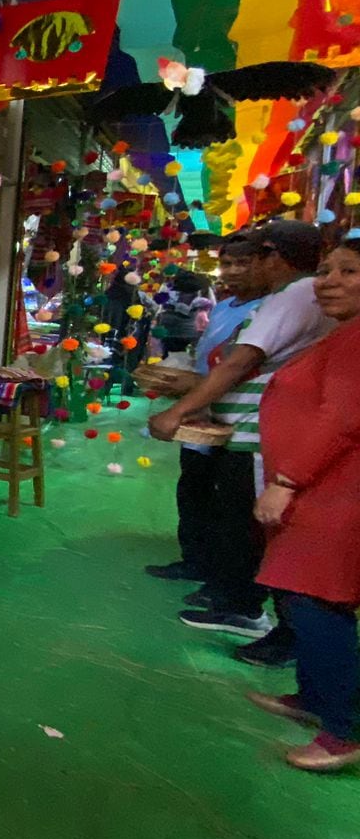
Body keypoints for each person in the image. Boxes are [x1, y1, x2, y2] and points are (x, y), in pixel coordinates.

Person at [151, 221, 334, 660]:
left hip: (259, 430)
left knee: (250, 523)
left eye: (253, 258)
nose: (332, 283)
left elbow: (239, 362)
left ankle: (248, 609)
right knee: (236, 517)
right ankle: (236, 599)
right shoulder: (292, 297)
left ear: (274, 257)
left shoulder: (295, 295)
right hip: (253, 425)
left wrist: (178, 411)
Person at [247, 236, 360, 770]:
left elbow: (341, 419)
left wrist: (288, 480)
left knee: (317, 601)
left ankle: (342, 731)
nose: (329, 282)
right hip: (322, 487)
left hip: (334, 492)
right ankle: (314, 698)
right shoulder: (344, 334)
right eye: (325, 270)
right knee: (301, 596)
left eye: (349, 272)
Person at [145, 236, 263, 584]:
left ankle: (225, 581)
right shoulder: (224, 306)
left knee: (229, 502)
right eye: (227, 264)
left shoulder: (267, 309)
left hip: (237, 419)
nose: (233, 271)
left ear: (262, 264)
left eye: (242, 263)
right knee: (193, 487)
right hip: (201, 412)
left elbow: (236, 367)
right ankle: (195, 560)